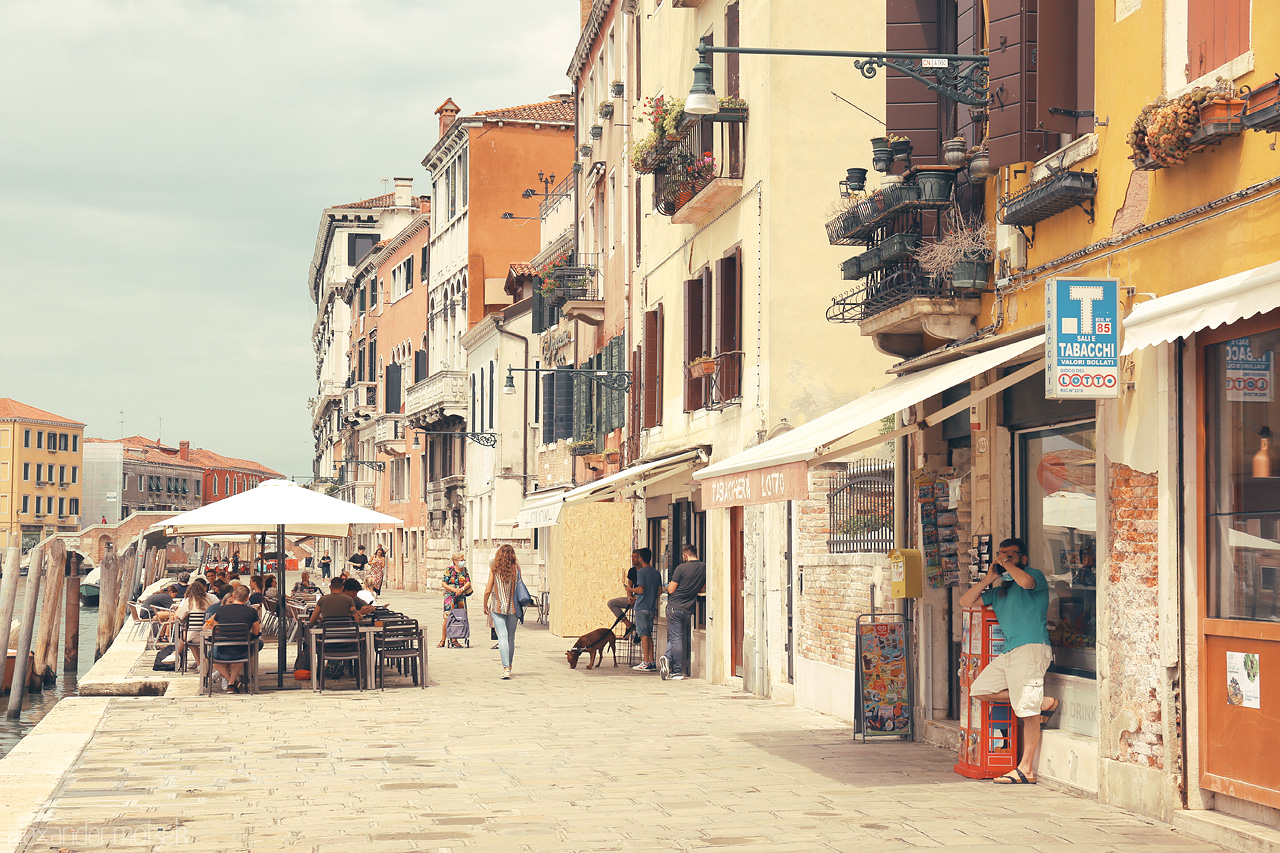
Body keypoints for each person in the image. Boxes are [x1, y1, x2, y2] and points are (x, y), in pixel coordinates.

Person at [959, 537, 1060, 785]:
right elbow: (965, 602)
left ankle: (1026, 769)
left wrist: (1008, 565)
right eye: (1000, 554)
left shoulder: (1033, 576)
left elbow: (1025, 582)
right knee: (979, 689)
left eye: (1011, 555)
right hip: (1011, 651)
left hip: (1032, 647)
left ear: (1023, 558)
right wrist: (989, 578)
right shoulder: (999, 591)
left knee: (1027, 710)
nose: (1004, 558)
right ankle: (1044, 701)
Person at [660, 545, 706, 681]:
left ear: (685, 555)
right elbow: (703, 586)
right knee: (674, 638)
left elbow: (671, 590)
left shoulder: (681, 568)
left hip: (674, 607)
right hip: (688, 609)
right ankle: (667, 658)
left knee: (676, 638)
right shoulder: (704, 567)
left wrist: (668, 586)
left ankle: (677, 670)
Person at [203, 585, 260, 693]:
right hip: (243, 651)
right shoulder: (251, 612)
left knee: (211, 654)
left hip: (222, 650)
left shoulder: (222, 610)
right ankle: (231, 683)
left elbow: (215, 626)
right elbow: (256, 632)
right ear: (247, 598)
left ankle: (230, 681)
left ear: (233, 596)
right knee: (240, 648)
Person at [483, 544, 523, 680]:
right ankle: (509, 666)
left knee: (502, 637)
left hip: (497, 607)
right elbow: (520, 585)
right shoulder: (516, 568)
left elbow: (488, 590)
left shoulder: (494, 569)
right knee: (511, 637)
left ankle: (506, 668)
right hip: (513, 608)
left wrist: (484, 605)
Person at [630, 548, 662, 672]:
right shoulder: (656, 572)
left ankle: (645, 661)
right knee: (649, 635)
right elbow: (659, 591)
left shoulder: (641, 572)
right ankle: (651, 661)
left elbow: (641, 589)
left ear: (641, 558)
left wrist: (630, 590)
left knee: (643, 635)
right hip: (651, 607)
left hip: (641, 607)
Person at [173, 581, 211, 671]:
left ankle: (198, 664)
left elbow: (178, 616)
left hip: (194, 635)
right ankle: (200, 664)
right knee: (188, 635)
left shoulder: (188, 601)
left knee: (187, 637)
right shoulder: (208, 601)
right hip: (207, 635)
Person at [439, 552, 472, 648]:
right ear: (455, 561)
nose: (462, 562)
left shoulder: (464, 570)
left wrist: (461, 589)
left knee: (460, 617)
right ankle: (443, 639)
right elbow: (444, 583)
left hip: (460, 597)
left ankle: (455, 639)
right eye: (461, 560)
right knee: (447, 617)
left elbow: (468, 582)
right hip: (450, 597)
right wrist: (454, 590)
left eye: (463, 560)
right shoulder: (449, 570)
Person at [607, 553, 640, 634]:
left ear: (640, 558)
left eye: (635, 557)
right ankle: (628, 624)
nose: (633, 559)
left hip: (642, 598)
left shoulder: (645, 572)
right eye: (632, 557)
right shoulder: (632, 571)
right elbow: (629, 586)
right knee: (611, 603)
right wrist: (629, 597)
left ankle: (638, 633)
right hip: (634, 597)